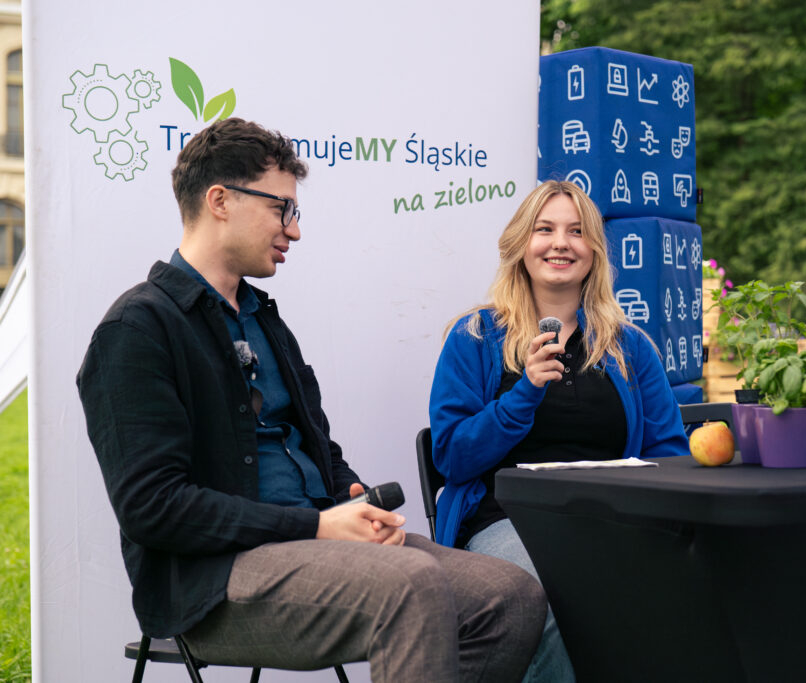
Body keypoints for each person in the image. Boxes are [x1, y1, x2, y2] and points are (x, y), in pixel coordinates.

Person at [77, 118, 546, 682]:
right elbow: (154, 509)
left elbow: (319, 447)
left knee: (510, 592)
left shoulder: (264, 321)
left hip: (314, 546)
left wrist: (351, 499)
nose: (293, 231)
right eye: (282, 209)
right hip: (211, 583)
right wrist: (318, 528)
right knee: (409, 586)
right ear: (220, 200)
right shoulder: (136, 329)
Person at [428, 180, 690, 682]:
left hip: (611, 521)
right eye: (544, 229)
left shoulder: (630, 347)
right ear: (521, 245)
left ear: (593, 250)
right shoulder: (475, 337)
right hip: (506, 521)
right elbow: (452, 456)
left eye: (576, 231)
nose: (560, 243)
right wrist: (524, 392)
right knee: (541, 598)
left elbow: (669, 456)